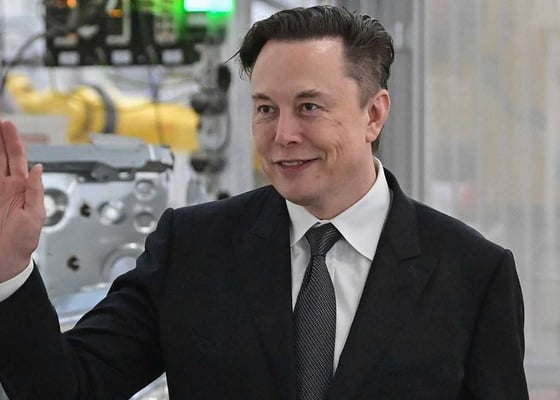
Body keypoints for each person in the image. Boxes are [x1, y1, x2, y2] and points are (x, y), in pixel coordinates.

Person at [0, 5, 529, 399]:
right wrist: (11, 268)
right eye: (266, 109)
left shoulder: (472, 274)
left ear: (374, 114)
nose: (283, 135)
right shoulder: (192, 249)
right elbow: (67, 388)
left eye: (309, 107)